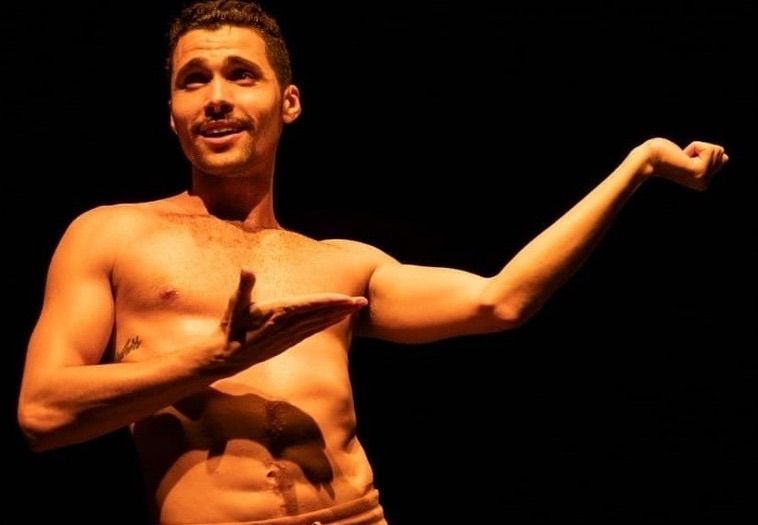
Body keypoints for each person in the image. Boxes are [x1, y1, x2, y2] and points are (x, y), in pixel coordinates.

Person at [16, 1, 729, 524]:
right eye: (193, 80)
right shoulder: (111, 234)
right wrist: (210, 361)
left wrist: (638, 166)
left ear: (288, 102)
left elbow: (502, 299)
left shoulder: (343, 265)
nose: (217, 97)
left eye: (241, 75)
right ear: (171, 113)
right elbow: (43, 412)